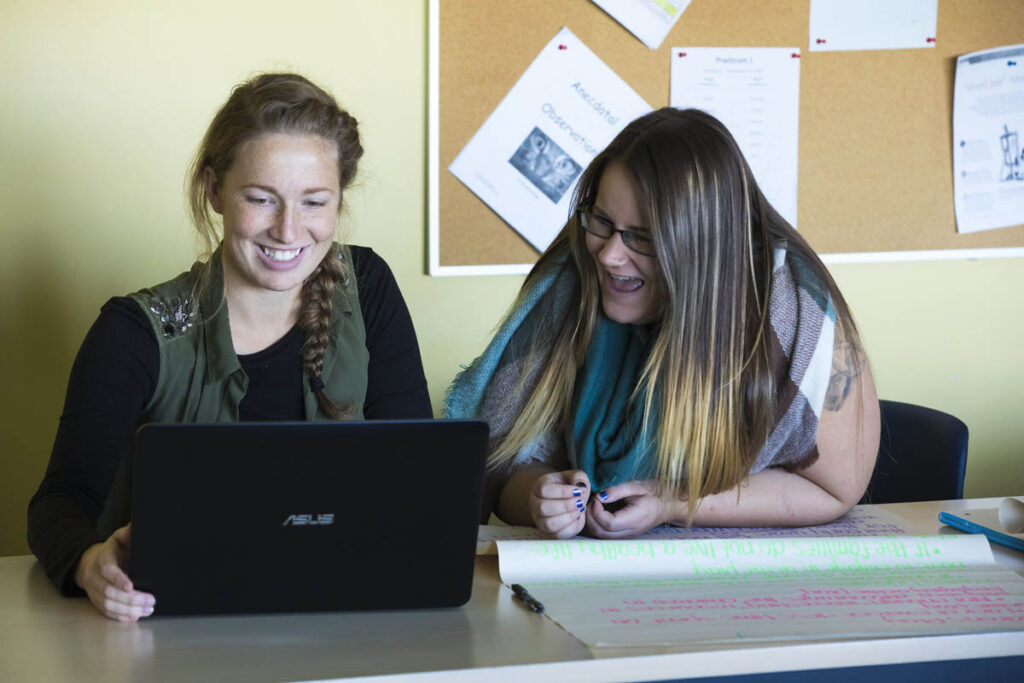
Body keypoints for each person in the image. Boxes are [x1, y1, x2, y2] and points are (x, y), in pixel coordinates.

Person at [28, 73, 432, 621]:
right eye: (261, 199)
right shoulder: (133, 331)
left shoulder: (370, 286)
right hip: (171, 621)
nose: (289, 232)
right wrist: (86, 561)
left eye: (315, 202)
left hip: (338, 609)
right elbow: (59, 504)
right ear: (215, 190)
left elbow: (419, 476)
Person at [446, 107, 880, 540]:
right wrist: (539, 498)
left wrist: (673, 502)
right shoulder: (573, 275)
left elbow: (834, 489)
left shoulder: (792, 313)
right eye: (602, 222)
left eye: (645, 237)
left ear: (706, 250)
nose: (610, 255)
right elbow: (500, 466)